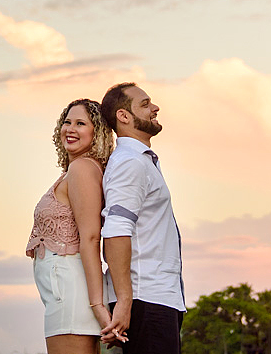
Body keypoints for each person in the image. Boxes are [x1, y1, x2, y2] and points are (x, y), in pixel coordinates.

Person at [99, 82, 185, 354]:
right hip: (145, 298)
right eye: (145, 104)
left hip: (157, 297)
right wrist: (125, 301)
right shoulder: (130, 162)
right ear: (123, 116)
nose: (155, 107)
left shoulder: (142, 160)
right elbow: (115, 230)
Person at [26, 98, 117, 354]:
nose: (70, 129)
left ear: (96, 132)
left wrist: (97, 306)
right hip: (64, 292)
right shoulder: (74, 170)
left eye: (80, 123)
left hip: (71, 292)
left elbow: (90, 238)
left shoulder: (82, 169)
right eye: (67, 122)